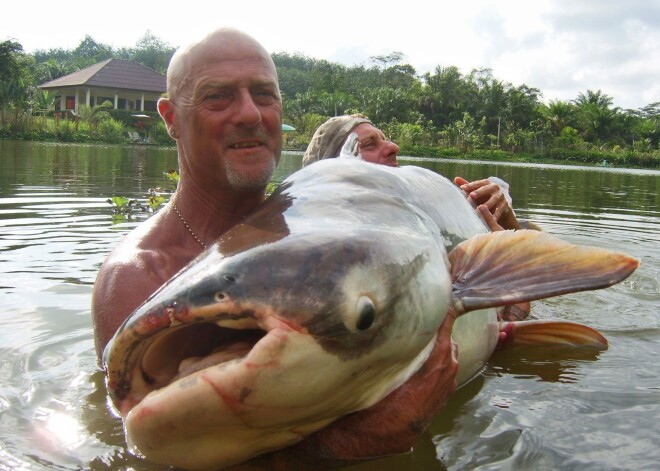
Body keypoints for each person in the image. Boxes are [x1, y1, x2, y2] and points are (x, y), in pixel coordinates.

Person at [92, 28, 458, 465]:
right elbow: (149, 452)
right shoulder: (136, 279)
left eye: (264, 95)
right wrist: (356, 441)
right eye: (219, 97)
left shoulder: (340, 230)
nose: (249, 114)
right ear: (170, 118)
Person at [302, 114, 531, 321]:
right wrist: (518, 276)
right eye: (369, 144)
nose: (393, 147)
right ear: (332, 172)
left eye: (385, 139)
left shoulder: (424, 219)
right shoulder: (329, 259)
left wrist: (506, 220)